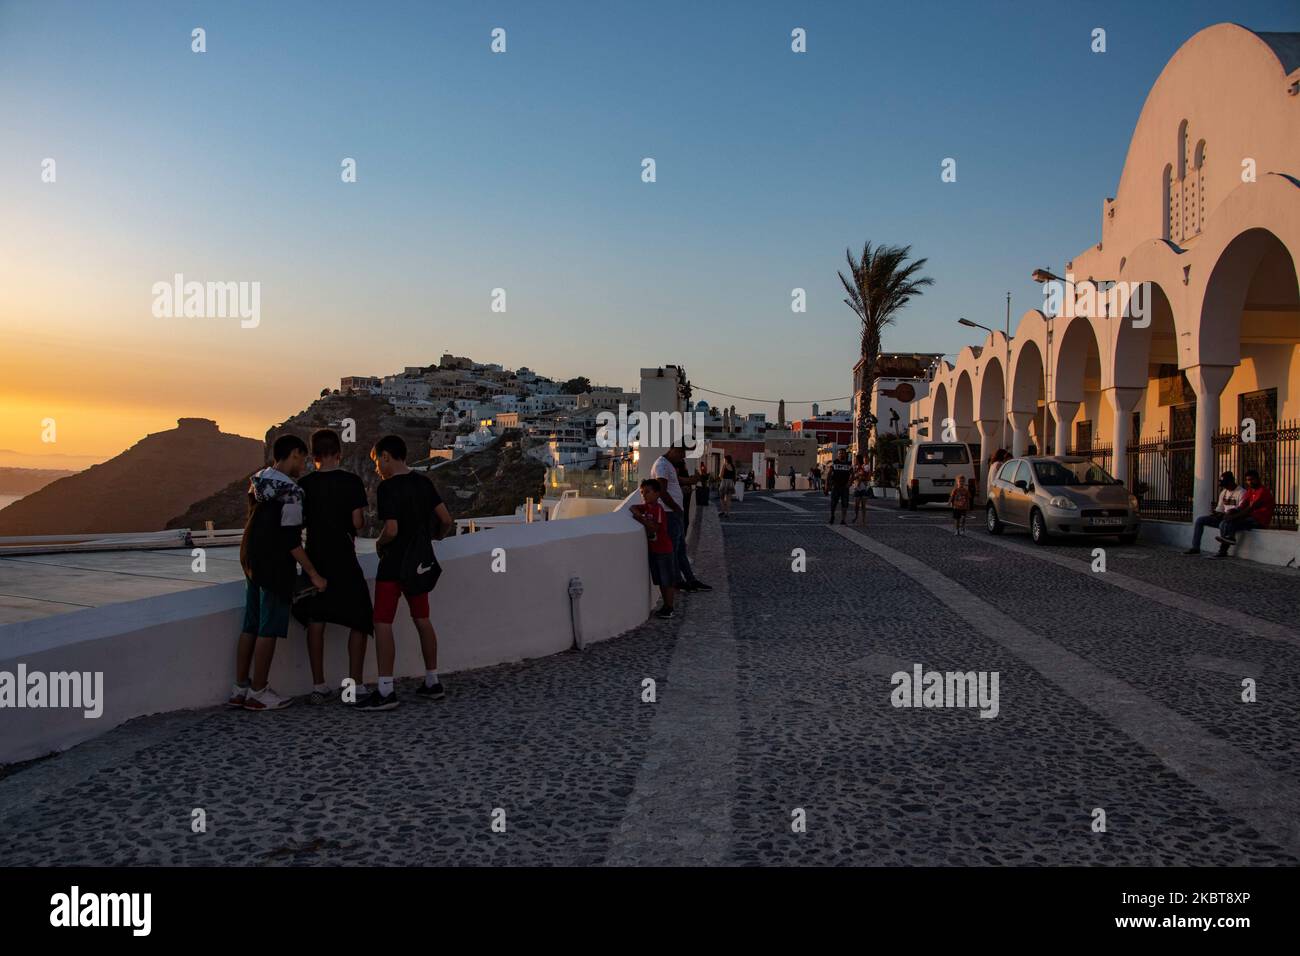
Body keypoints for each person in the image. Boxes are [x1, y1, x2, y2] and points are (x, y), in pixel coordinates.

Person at [229, 434, 327, 713]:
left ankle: (240, 688)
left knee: (251, 623)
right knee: (268, 627)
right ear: (294, 454)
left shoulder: (258, 479)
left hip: (250, 555)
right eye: (303, 458)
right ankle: (259, 691)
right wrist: (313, 573)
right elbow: (291, 540)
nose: (304, 465)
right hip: (273, 563)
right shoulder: (292, 492)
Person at [360, 434, 455, 711]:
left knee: (382, 623)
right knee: (422, 619)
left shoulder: (387, 488)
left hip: (393, 565)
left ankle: (386, 689)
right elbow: (446, 519)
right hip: (418, 564)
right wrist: (432, 538)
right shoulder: (424, 482)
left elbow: (391, 530)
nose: (377, 467)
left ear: (386, 456)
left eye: (378, 460)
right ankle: (432, 681)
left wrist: (379, 543)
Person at [294, 428, 374, 705]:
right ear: (339, 452)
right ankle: (355, 685)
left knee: (316, 621)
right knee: (360, 617)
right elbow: (357, 523)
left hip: (315, 557)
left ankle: (319, 685)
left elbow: (299, 523)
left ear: (313, 455)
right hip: (343, 556)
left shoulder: (303, 485)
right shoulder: (351, 481)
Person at [651, 445, 712, 592]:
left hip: (674, 513)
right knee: (674, 550)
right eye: (681, 452)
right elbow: (662, 492)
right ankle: (678, 581)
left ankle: (691, 580)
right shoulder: (661, 465)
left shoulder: (668, 465)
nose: (683, 456)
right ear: (673, 449)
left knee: (681, 550)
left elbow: (678, 481)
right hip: (669, 513)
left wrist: (693, 480)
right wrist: (677, 509)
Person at [630, 478, 677, 619]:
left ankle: (669, 607)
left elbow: (654, 527)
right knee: (661, 580)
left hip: (664, 550)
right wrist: (640, 513)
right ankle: (666, 606)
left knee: (667, 580)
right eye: (643, 492)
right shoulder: (648, 507)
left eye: (648, 492)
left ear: (657, 493)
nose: (645, 495)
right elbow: (632, 508)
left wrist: (641, 518)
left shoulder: (658, 509)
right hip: (655, 551)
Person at [1214, 469, 1275, 558]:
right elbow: (1243, 505)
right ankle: (1227, 541)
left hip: (1259, 520)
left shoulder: (1262, 492)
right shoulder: (1250, 491)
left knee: (1232, 521)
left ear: (1258, 479)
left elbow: (1250, 509)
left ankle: (1228, 541)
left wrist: (1234, 516)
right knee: (1224, 523)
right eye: (1248, 480)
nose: (1250, 482)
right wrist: (1233, 511)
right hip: (1250, 518)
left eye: (1252, 479)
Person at [1185, 471, 1242, 555]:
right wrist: (1216, 513)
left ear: (1232, 481)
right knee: (1200, 520)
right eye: (1224, 485)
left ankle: (1223, 551)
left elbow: (1241, 509)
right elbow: (1220, 509)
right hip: (1222, 517)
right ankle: (1195, 547)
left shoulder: (1241, 492)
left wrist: (1226, 515)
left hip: (1232, 519)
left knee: (1223, 524)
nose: (1225, 487)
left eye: (1226, 484)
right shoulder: (1224, 492)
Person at [827, 449, 852, 524]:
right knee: (833, 503)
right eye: (840, 453)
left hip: (845, 487)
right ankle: (832, 516)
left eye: (843, 453)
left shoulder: (848, 464)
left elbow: (852, 475)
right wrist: (827, 485)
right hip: (835, 486)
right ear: (837, 455)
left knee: (845, 503)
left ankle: (843, 519)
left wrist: (849, 483)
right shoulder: (834, 463)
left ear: (845, 454)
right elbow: (829, 474)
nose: (841, 455)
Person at [718, 454, 737, 518]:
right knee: (729, 499)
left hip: (724, 482)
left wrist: (721, 479)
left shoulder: (724, 465)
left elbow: (720, 475)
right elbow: (735, 476)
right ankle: (728, 513)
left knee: (721, 497)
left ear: (726, 459)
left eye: (724, 459)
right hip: (731, 482)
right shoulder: (733, 466)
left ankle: (723, 511)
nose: (723, 460)